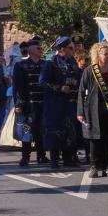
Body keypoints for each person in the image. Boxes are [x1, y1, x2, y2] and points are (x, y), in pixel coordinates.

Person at [77, 42, 108, 179]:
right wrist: (81, 111)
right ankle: (94, 166)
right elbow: (83, 92)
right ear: (98, 55)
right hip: (93, 109)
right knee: (95, 139)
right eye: (105, 54)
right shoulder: (90, 71)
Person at [40, 37, 82, 169]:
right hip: (55, 103)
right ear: (62, 49)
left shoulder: (72, 62)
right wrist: (59, 88)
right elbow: (43, 82)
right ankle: (54, 160)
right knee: (55, 131)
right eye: (70, 48)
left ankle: (69, 158)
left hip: (71, 102)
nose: (73, 50)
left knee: (70, 130)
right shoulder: (51, 63)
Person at [13, 41, 48, 167]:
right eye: (38, 48)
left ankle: (41, 156)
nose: (41, 50)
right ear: (31, 50)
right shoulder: (20, 65)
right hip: (28, 104)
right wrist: (18, 104)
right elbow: (17, 87)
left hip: (42, 103)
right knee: (26, 130)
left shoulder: (45, 64)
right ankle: (25, 157)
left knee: (40, 131)